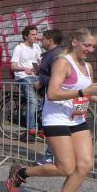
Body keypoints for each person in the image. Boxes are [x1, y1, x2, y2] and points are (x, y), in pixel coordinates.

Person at [6, 27, 97, 192]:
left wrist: (95, 92)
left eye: (94, 46)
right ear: (74, 42)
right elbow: (52, 93)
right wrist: (83, 92)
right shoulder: (63, 63)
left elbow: (91, 95)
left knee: (85, 164)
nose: (90, 50)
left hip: (77, 119)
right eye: (87, 45)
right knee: (65, 167)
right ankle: (21, 172)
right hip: (55, 119)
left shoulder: (88, 67)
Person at [35, 29, 63, 164]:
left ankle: (51, 155)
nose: (42, 41)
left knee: (51, 125)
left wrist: (41, 82)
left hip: (52, 95)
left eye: (43, 39)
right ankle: (53, 154)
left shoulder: (56, 55)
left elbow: (55, 76)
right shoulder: (54, 54)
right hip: (51, 94)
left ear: (50, 40)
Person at [11, 25, 42, 137]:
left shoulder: (37, 47)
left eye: (36, 34)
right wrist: (25, 69)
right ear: (25, 36)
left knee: (47, 97)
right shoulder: (19, 48)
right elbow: (13, 66)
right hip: (23, 77)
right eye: (33, 35)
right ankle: (31, 129)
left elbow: (40, 61)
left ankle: (43, 127)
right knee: (32, 101)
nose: (35, 36)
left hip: (35, 76)